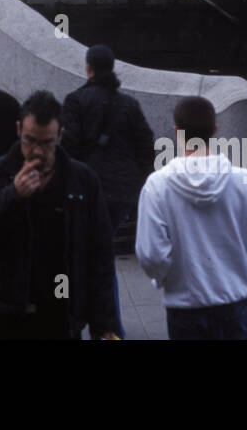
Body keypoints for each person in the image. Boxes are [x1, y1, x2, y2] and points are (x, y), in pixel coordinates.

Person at [0, 91, 118, 340]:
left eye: (46, 143)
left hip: (61, 311)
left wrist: (105, 324)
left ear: (60, 135)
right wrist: (11, 195)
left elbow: (99, 253)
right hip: (7, 315)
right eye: (30, 140)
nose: (37, 151)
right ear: (18, 130)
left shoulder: (81, 179)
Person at [136, 95, 247, 340]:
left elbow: (151, 254)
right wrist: (235, 265)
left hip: (184, 309)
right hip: (234, 307)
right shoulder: (243, 180)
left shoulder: (157, 185)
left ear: (177, 132)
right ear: (214, 130)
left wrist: (166, 278)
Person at [60, 44, 155, 339]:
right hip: (122, 193)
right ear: (112, 67)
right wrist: (134, 182)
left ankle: (85, 322)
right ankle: (109, 327)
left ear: (87, 68)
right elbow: (145, 147)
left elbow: (68, 147)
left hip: (86, 192)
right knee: (102, 253)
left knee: (84, 255)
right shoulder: (129, 104)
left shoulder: (75, 101)